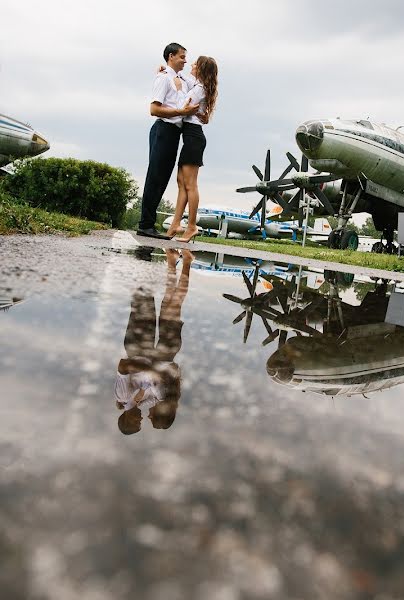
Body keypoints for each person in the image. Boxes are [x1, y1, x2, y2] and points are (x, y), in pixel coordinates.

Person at [114, 248, 192, 434]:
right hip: (161, 352)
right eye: (146, 421)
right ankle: (182, 261)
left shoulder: (126, 397)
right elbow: (165, 382)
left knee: (144, 298)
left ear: (127, 419)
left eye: (139, 423)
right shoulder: (149, 400)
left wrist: (151, 371)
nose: (144, 419)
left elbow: (124, 365)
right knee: (171, 303)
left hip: (139, 346)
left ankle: (146, 258)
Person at [136, 42, 201, 240]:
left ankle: (149, 224)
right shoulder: (163, 79)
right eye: (182, 57)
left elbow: (199, 84)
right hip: (163, 129)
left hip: (175, 134)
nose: (185, 60)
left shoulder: (184, 80)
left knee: (163, 178)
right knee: (155, 176)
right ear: (171, 56)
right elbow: (154, 109)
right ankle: (145, 225)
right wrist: (181, 112)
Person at [165, 56, 218, 242]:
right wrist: (169, 72)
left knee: (190, 185)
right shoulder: (199, 86)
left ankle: (192, 225)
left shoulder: (199, 90)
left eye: (195, 64)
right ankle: (175, 224)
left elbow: (182, 106)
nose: (192, 65)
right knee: (181, 182)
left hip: (194, 137)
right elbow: (188, 79)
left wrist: (179, 90)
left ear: (201, 70)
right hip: (191, 137)